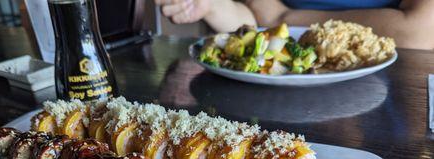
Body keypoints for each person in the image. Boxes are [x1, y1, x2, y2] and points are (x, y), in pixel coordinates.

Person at [154, 0, 434, 49]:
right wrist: (211, 5)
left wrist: (284, 18)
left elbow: (418, 33)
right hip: (283, 85)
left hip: (395, 87)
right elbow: (252, 20)